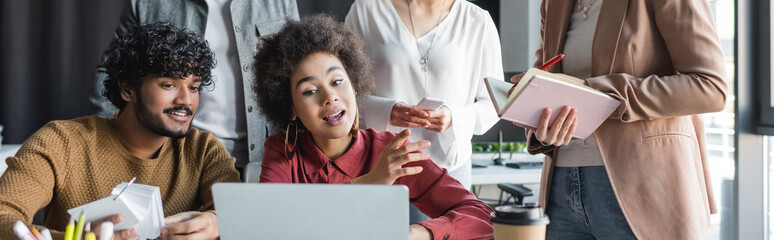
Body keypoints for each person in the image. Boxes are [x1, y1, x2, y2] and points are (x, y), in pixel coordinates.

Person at [253, 15, 494, 240]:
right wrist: (371, 182)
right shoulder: (283, 150)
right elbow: (269, 224)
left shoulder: (392, 151)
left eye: (337, 81)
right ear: (290, 107)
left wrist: (420, 233)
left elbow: (481, 216)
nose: (330, 97)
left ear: (354, 86)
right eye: (310, 91)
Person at [0, 23, 240, 239]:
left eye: (194, 87)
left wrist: (219, 222)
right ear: (127, 89)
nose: (186, 100)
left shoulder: (204, 150)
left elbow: (242, 218)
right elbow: (3, 214)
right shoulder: (61, 141)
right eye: (169, 85)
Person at [510, 0, 728, 239]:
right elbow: (547, 78)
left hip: (644, 189)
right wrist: (541, 123)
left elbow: (711, 87)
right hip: (560, 190)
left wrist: (606, 95)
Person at [89, 0, 299, 174]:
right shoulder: (146, 3)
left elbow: (301, 73)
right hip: (179, 159)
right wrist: (109, 144)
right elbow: (113, 69)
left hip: (266, 159)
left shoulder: (279, 2)